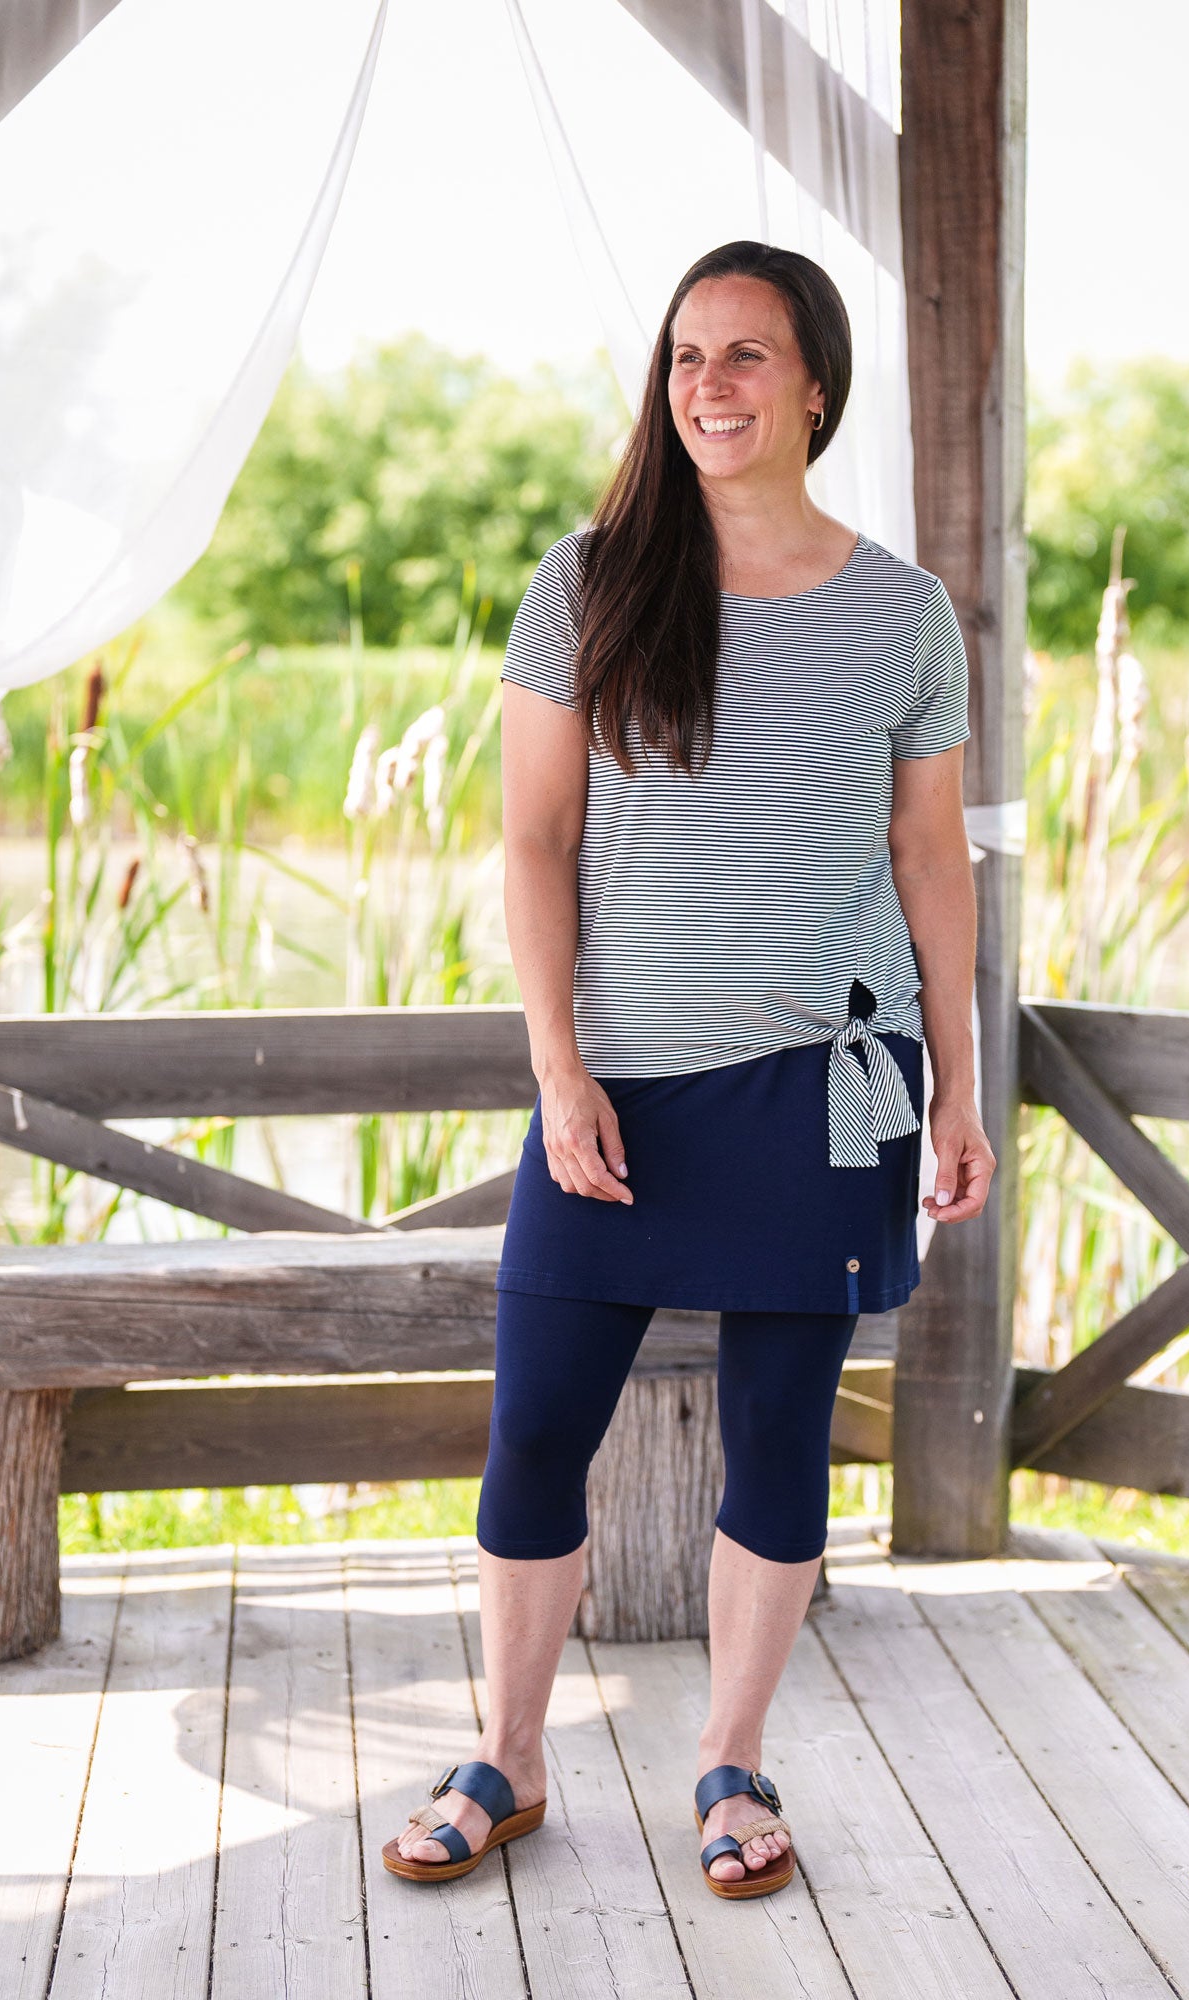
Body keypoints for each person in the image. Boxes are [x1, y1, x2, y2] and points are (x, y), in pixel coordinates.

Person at [382, 238, 995, 1899]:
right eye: (683, 357)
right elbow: (532, 839)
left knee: (779, 1439)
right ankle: (506, 1760)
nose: (706, 386)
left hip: (827, 1084)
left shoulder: (901, 615)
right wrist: (557, 1067)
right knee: (534, 1431)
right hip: (618, 1090)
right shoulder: (589, 581)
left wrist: (956, 1084)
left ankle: (730, 1764)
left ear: (815, 389)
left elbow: (928, 858)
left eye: (743, 355)